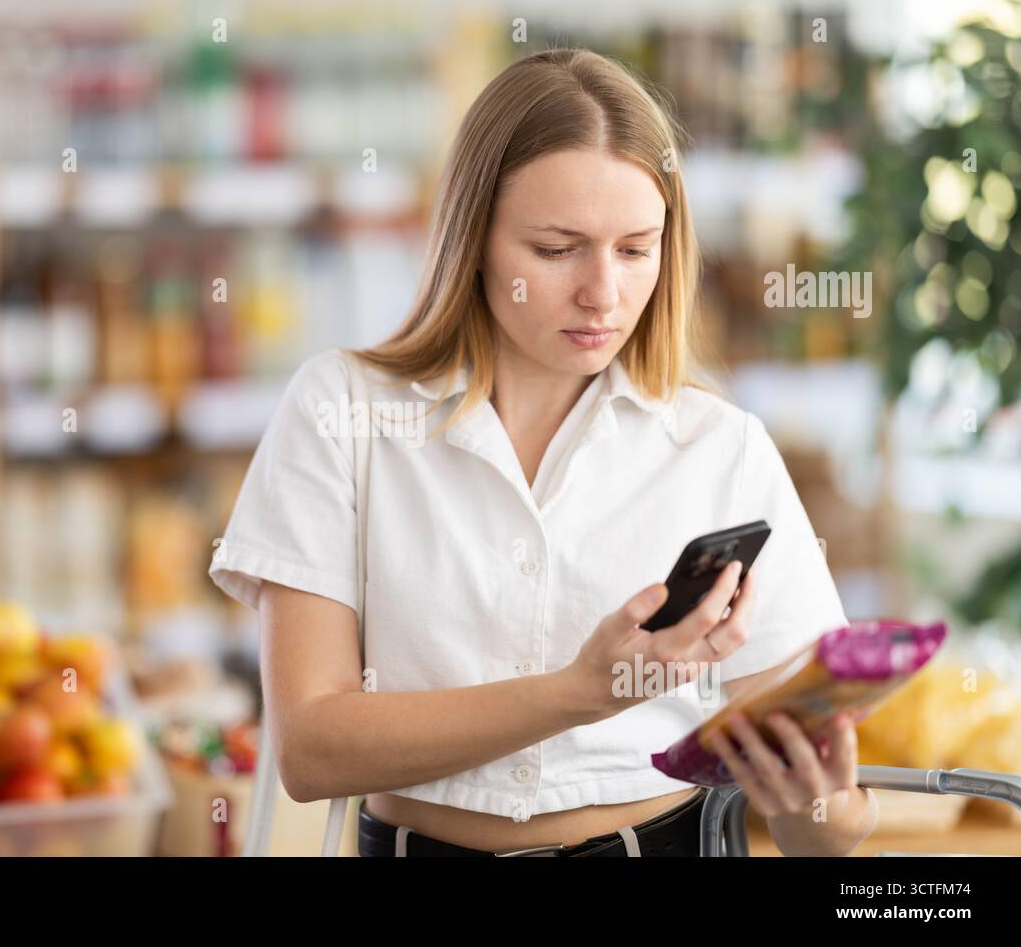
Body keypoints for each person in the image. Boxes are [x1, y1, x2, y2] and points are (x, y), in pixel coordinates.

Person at [209, 48, 877, 857]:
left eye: (635, 249)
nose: (603, 292)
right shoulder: (341, 411)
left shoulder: (721, 448)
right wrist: (580, 692)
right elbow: (313, 749)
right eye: (557, 249)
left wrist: (820, 807)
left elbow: (828, 835)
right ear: (475, 239)